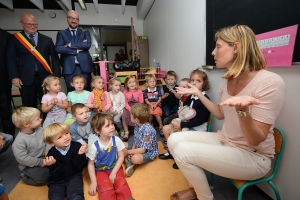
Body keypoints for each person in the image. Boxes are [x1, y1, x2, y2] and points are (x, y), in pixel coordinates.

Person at [169, 25, 285, 200]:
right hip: (226, 140)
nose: (213, 52)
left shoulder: (270, 82)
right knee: (173, 139)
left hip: (253, 156)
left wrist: (243, 111)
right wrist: (198, 94)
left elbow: (255, 140)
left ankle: (205, 197)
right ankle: (198, 189)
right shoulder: (227, 79)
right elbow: (220, 114)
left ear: (236, 48)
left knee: (183, 151)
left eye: (218, 46)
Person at [6, 12, 61, 108]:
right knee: (29, 105)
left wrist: (56, 77)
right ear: (21, 23)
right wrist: (14, 77)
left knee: (48, 104)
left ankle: (48, 122)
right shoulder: (15, 38)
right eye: (29, 24)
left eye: (34, 24)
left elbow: (55, 59)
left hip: (46, 78)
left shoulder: (47, 39)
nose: (32, 26)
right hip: (25, 78)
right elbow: (11, 59)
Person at [159, 69, 210, 170]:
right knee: (165, 129)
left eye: (198, 81)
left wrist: (182, 125)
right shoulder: (191, 96)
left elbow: (201, 120)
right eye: (192, 80)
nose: (194, 83)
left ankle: (179, 158)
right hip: (186, 123)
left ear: (204, 84)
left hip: (196, 128)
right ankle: (172, 153)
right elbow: (184, 112)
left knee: (176, 136)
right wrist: (177, 120)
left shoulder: (204, 98)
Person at [87, 113, 134, 200]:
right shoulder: (94, 146)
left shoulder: (116, 139)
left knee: (121, 184)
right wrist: (93, 182)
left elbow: (121, 157)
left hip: (115, 167)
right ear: (97, 130)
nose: (112, 127)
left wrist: (113, 173)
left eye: (112, 124)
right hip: (101, 171)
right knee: (105, 188)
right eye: (107, 126)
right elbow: (90, 164)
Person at [43, 123, 87, 200]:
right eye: (60, 137)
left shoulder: (77, 146)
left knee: (76, 196)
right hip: (57, 181)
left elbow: (79, 166)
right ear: (52, 143)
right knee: (55, 197)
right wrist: (53, 164)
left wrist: (80, 154)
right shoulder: (51, 154)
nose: (66, 137)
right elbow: (54, 173)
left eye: (66, 133)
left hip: (74, 177)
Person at [55, 10, 94, 92]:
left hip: (84, 68)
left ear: (79, 21)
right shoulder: (61, 33)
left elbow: (87, 45)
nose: (74, 20)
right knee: (71, 93)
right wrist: (76, 50)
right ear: (67, 19)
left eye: (76, 19)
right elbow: (58, 48)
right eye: (71, 18)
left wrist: (69, 45)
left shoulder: (85, 32)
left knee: (86, 92)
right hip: (69, 68)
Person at [11, 107, 51, 186]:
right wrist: (41, 162)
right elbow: (23, 159)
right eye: (37, 119)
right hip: (30, 165)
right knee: (43, 177)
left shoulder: (40, 129)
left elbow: (47, 140)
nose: (40, 119)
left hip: (44, 158)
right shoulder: (19, 141)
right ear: (26, 124)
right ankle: (25, 177)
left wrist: (47, 150)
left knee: (61, 163)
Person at [123, 103, 158, 177]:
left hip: (148, 152)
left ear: (136, 119)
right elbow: (136, 140)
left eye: (131, 115)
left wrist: (128, 152)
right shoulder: (137, 124)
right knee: (121, 145)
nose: (130, 116)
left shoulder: (148, 131)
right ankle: (129, 161)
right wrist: (132, 151)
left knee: (135, 158)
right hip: (137, 147)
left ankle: (130, 162)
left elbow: (143, 150)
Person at [0, 28, 15, 137]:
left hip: (2, 78)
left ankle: (8, 135)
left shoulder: (6, 36)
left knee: (5, 109)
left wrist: (13, 76)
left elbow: (11, 58)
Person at [121, 76, 144, 141]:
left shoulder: (139, 91)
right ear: (126, 85)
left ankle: (140, 131)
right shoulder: (125, 92)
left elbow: (141, 102)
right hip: (128, 106)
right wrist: (129, 108)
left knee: (139, 114)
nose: (132, 84)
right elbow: (125, 102)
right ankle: (126, 132)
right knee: (124, 115)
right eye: (129, 83)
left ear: (136, 83)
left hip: (138, 106)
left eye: (133, 82)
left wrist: (136, 108)